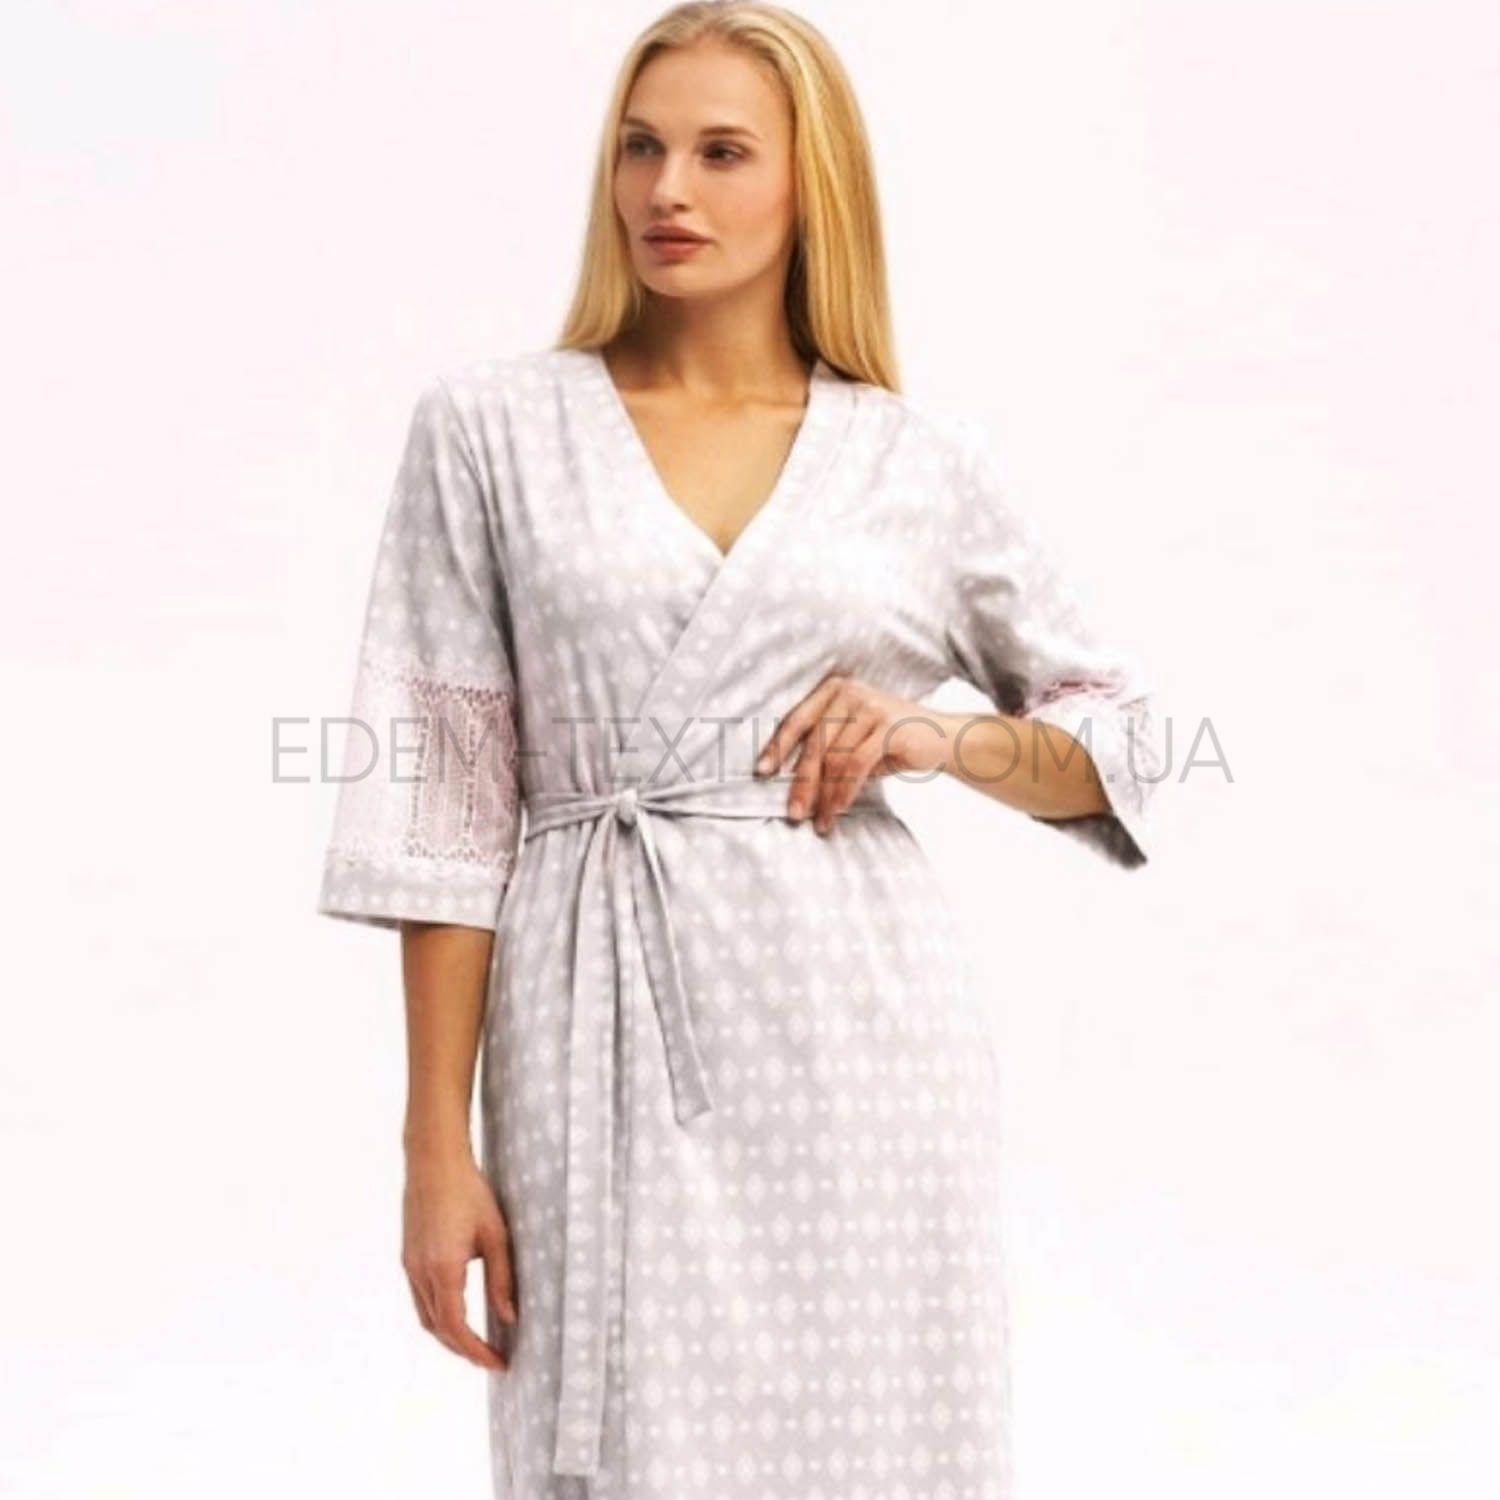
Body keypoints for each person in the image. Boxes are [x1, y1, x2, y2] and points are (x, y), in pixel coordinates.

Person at [316, 2, 1163, 1495]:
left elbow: (1122, 743)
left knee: (877, 1447)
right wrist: (432, 1148)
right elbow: (444, 806)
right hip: (590, 1022)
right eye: (641, 148)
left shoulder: (913, 458)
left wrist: (930, 734)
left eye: (721, 153)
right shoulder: (492, 430)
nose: (668, 191)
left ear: (808, 183)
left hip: (860, 1046)